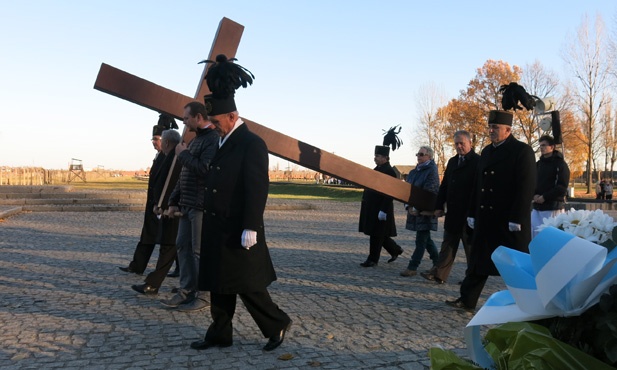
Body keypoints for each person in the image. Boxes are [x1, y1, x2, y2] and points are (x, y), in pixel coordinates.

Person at [190, 54, 291, 352]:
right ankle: (220, 333)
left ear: (232, 117)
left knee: (246, 284)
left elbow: (257, 187)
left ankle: (277, 323)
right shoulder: (223, 140)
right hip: (218, 225)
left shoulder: (252, 143)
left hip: (238, 227)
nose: (215, 126)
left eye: (218, 121)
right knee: (219, 283)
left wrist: (251, 226)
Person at [446, 110, 536, 311]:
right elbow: (477, 185)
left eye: (495, 127)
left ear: (508, 130)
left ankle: (528, 303)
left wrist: (518, 217)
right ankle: (467, 300)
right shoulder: (486, 152)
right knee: (478, 262)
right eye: (490, 127)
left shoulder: (522, 151)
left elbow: (526, 187)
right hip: (486, 218)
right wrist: (471, 212)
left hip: (508, 220)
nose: (491, 131)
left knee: (516, 265)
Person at [161, 101, 219, 311]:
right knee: (182, 247)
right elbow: (184, 175)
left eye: (186, 118)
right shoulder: (195, 141)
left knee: (198, 252)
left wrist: (182, 155)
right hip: (186, 204)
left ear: (198, 117)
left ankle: (203, 296)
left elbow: (204, 169)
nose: (184, 122)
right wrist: (173, 201)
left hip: (200, 205)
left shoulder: (212, 139)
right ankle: (186, 290)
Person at [119, 114, 178, 276]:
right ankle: (137, 265)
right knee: (148, 235)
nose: (153, 142)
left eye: (156, 139)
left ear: (165, 140)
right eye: (152, 139)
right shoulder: (159, 156)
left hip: (162, 204)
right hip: (153, 203)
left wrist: (162, 203)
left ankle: (167, 272)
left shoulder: (170, 158)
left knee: (170, 239)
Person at [420, 130, 479, 284]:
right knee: (448, 245)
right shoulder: (453, 162)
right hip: (453, 211)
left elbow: (478, 189)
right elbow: (445, 186)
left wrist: (474, 213)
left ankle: (472, 278)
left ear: (470, 143)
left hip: (469, 213)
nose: (459, 146)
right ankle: (439, 274)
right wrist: (439, 206)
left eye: (462, 143)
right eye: (456, 144)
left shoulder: (478, 161)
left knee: (470, 249)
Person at [132, 129, 183, 294]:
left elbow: (174, 184)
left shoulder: (176, 158)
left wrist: (165, 204)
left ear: (166, 142)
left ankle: (154, 284)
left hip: (173, 208)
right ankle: (187, 284)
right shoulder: (170, 156)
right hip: (166, 207)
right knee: (172, 247)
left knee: (169, 246)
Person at [358, 129, 404, 267]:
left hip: (381, 208)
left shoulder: (389, 171)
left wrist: (383, 210)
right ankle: (395, 250)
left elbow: (390, 192)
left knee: (376, 234)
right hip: (372, 207)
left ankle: (373, 259)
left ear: (385, 158)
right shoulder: (377, 169)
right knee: (379, 233)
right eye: (375, 155)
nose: (375, 158)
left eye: (378, 155)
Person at [400, 146, 440, 277]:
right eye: (417, 154)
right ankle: (438, 263)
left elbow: (430, 192)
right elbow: (407, 191)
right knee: (426, 239)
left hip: (425, 211)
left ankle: (413, 266)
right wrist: (409, 207)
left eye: (422, 154)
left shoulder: (432, 171)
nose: (419, 156)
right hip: (414, 209)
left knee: (421, 240)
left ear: (429, 156)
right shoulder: (413, 172)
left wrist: (418, 208)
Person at [530, 135, 570, 238]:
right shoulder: (538, 164)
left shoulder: (560, 165)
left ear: (552, 147)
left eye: (544, 145)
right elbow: (531, 182)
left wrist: (545, 197)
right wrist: (534, 196)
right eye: (540, 146)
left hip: (553, 209)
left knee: (551, 239)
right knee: (535, 238)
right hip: (537, 209)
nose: (541, 148)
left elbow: (562, 187)